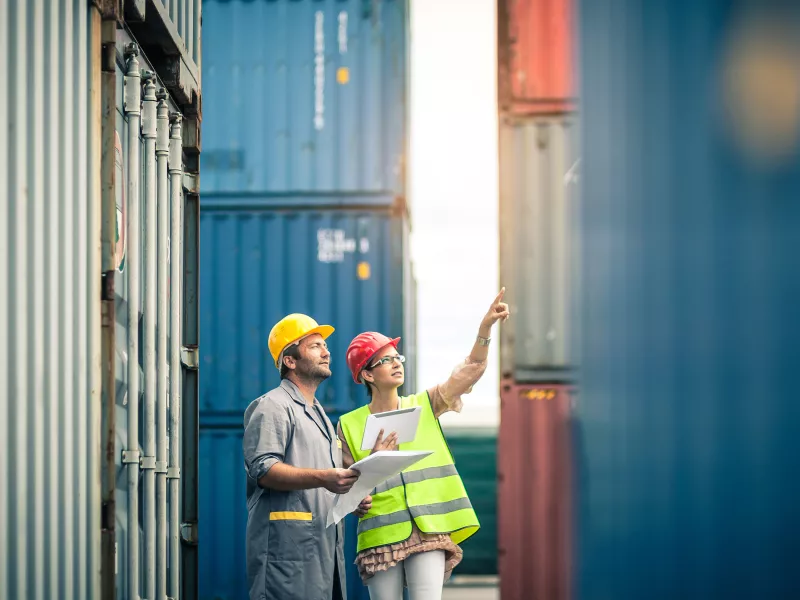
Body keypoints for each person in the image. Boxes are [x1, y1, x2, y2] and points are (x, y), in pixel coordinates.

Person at [336, 289, 511, 600]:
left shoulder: (426, 404)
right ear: (366, 374)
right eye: (385, 359)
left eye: (396, 357)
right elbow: (345, 491)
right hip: (381, 535)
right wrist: (365, 480)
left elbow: (470, 371)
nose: (395, 363)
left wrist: (484, 330)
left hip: (429, 528)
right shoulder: (348, 425)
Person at [243, 313, 371, 600]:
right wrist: (325, 478)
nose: (326, 352)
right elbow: (263, 470)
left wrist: (351, 497)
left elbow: (325, 482)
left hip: (324, 555)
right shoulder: (272, 406)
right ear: (290, 360)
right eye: (314, 346)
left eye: (325, 345)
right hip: (287, 553)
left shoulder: (321, 416)